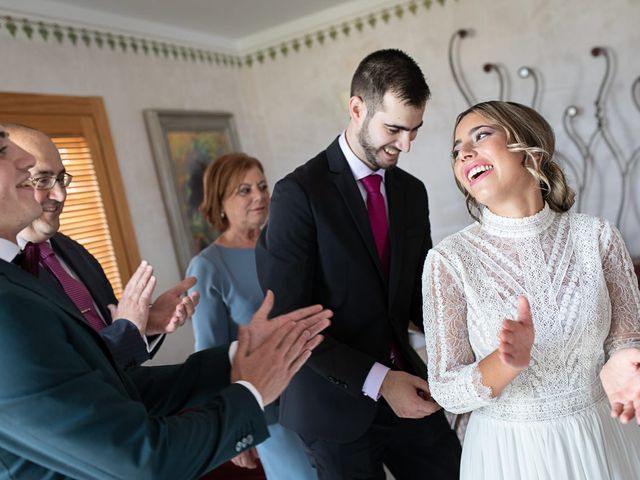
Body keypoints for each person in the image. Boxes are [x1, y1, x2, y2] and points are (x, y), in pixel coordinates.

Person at [0, 123, 333, 479]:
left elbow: (109, 386)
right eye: (2, 149)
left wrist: (240, 354)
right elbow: (141, 458)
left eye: (62, 177)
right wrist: (248, 394)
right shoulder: (8, 304)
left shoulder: (46, 265)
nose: (26, 160)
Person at [256, 49, 461, 479]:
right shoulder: (298, 195)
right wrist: (381, 382)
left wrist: (467, 336)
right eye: (394, 129)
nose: (405, 144)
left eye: (414, 130)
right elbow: (288, 321)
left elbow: (416, 297)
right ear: (356, 108)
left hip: (407, 383)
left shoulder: (411, 192)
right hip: (333, 405)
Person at [422, 100, 640, 479]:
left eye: (481, 136)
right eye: (456, 152)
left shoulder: (597, 237)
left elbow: (625, 337)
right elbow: (445, 388)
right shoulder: (449, 260)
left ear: (529, 148)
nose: (464, 154)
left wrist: (627, 358)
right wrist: (504, 362)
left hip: (602, 436)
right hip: (512, 455)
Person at [7, 124, 198, 369]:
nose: (61, 194)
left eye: (61, 179)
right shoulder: (9, 278)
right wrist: (127, 331)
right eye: (43, 180)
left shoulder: (74, 251)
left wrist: (147, 324)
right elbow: (68, 372)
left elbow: (112, 348)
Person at [187, 153, 317, 479]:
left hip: (320, 394)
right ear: (220, 203)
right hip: (270, 410)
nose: (259, 196)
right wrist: (235, 427)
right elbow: (210, 356)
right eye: (243, 190)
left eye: (262, 186)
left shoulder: (284, 246)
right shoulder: (208, 266)